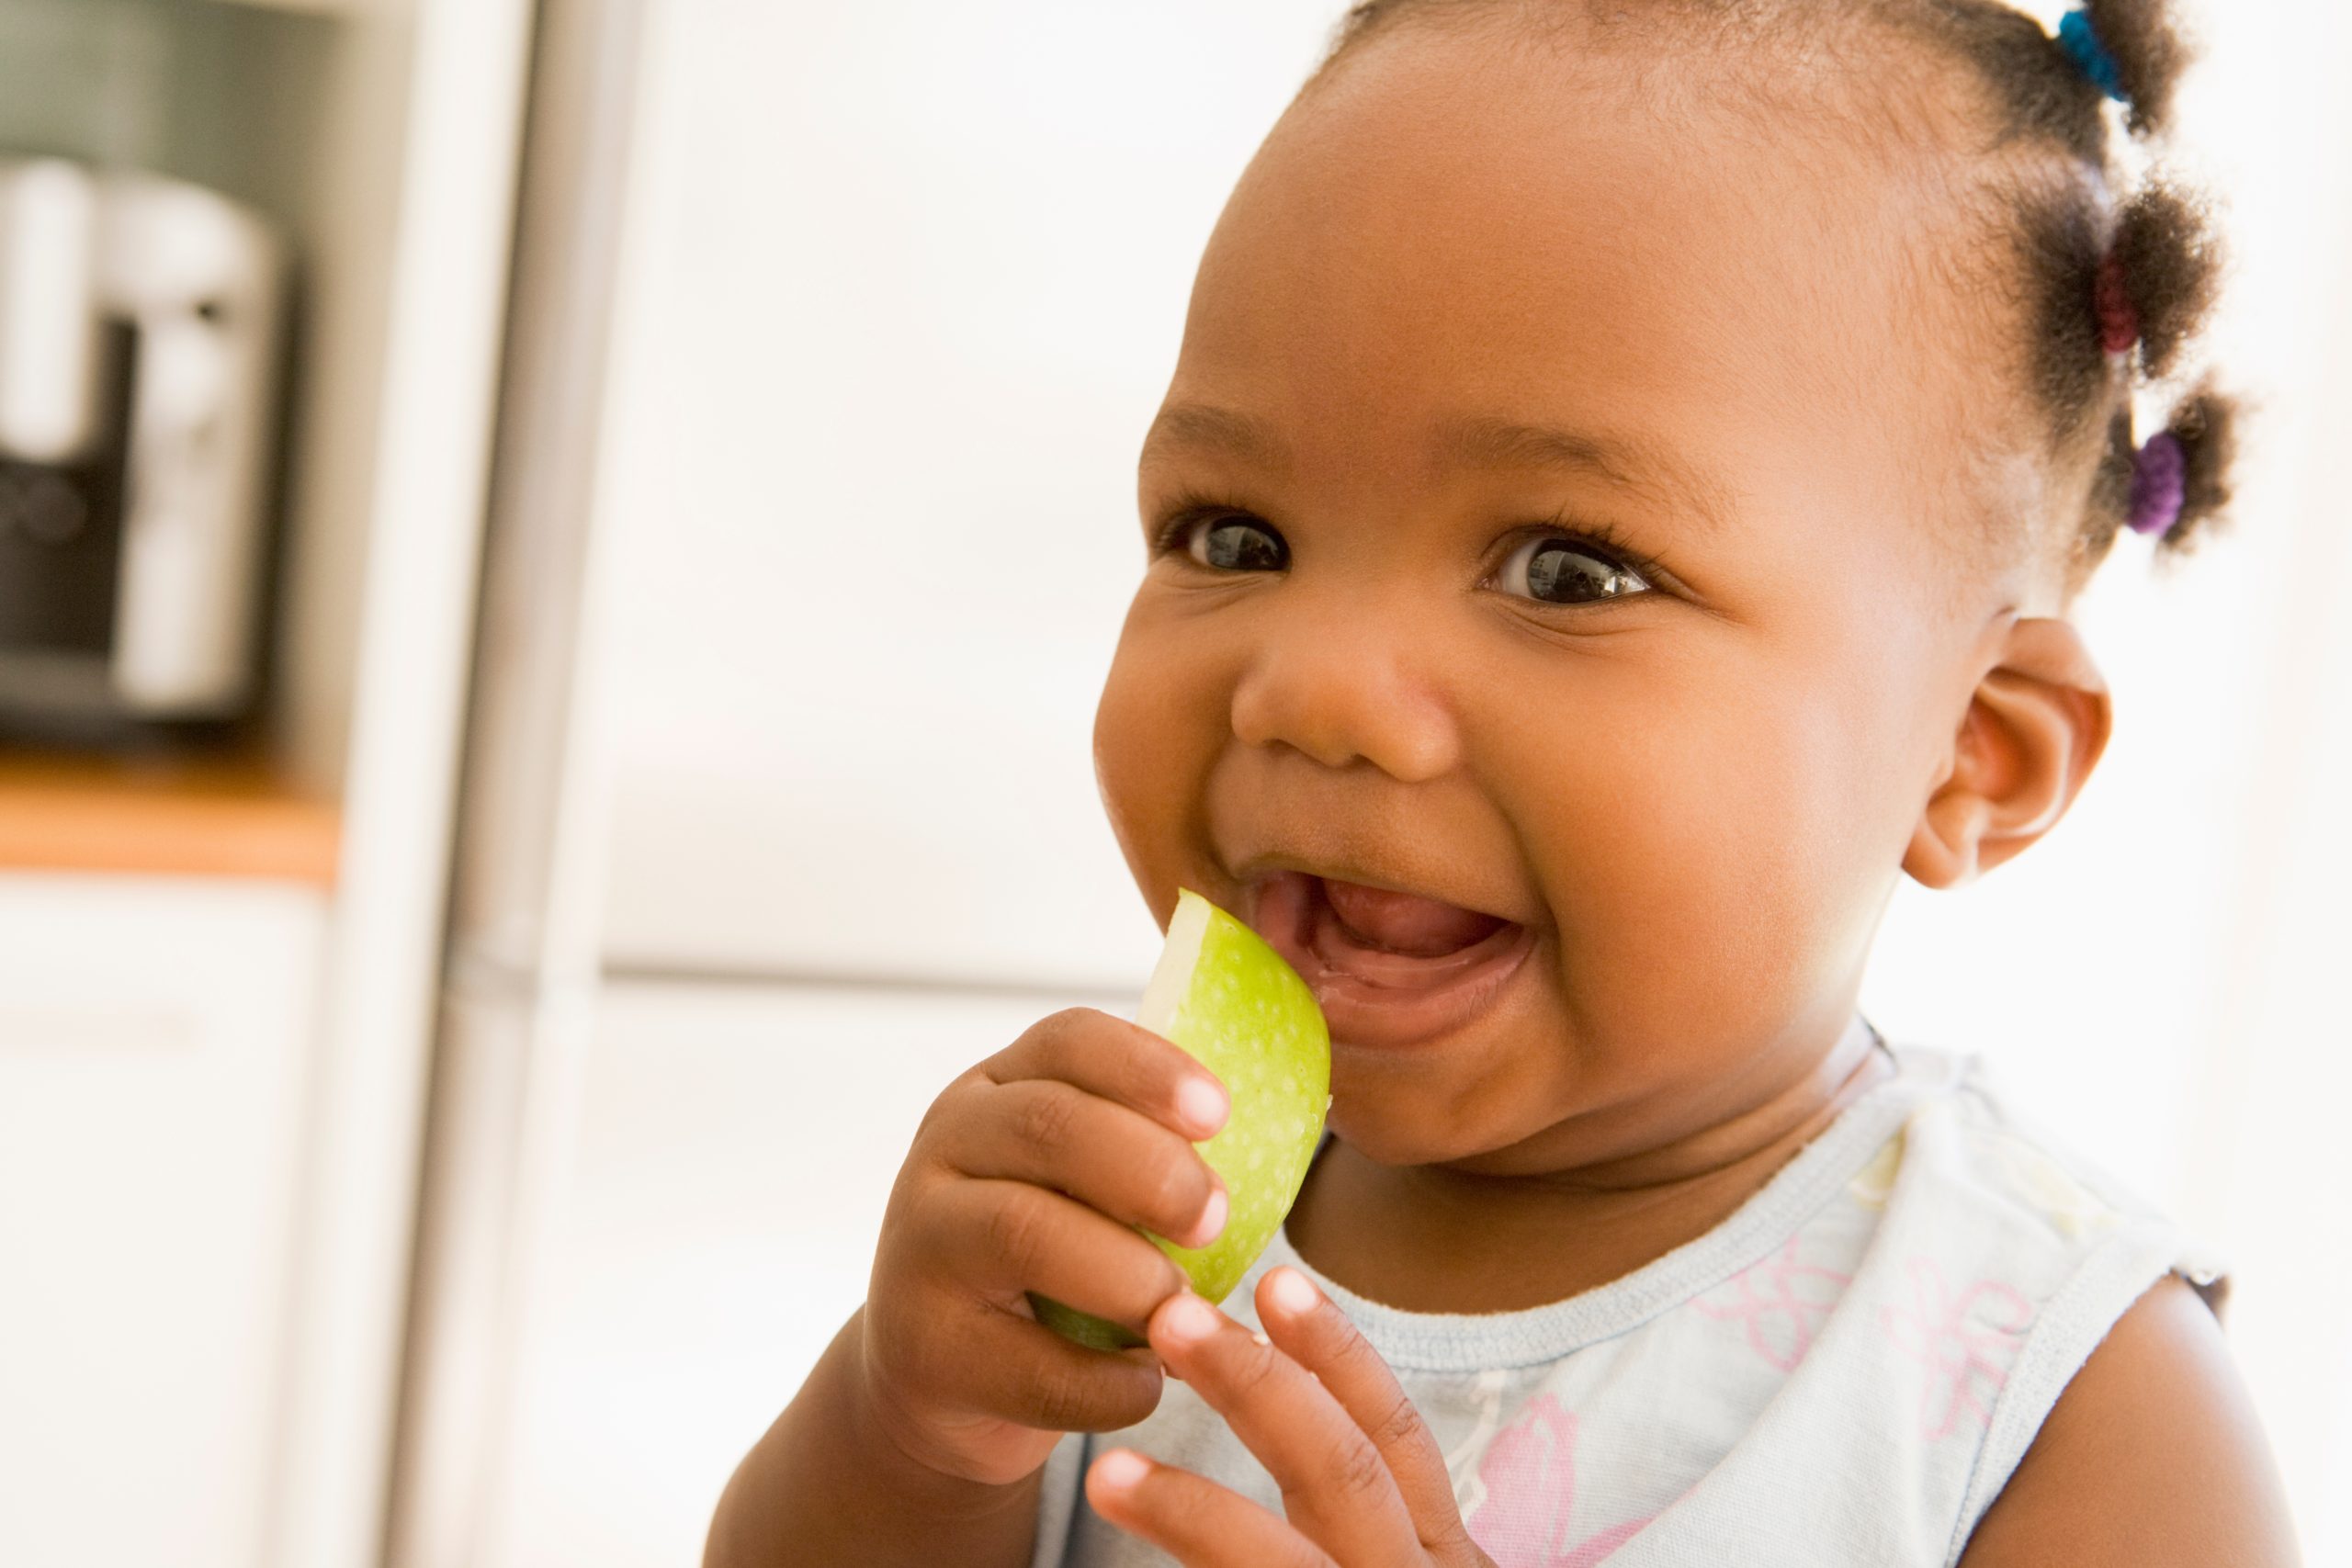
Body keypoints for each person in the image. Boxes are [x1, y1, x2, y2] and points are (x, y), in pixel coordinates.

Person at [707, 2, 2299, 1562]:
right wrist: (910, 1432)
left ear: (1975, 752)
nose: (1312, 689)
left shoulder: (2059, 1400)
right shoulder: (1130, 1195)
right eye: (1233, 537)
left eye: (1570, 571)